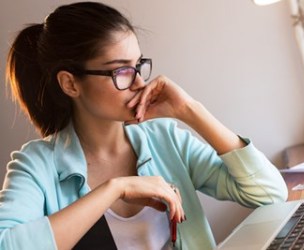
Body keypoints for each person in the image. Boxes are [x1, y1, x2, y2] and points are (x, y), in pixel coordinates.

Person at [0, 2, 288, 249]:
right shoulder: (36, 164)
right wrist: (115, 189)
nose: (139, 82)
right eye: (121, 70)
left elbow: (269, 193)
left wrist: (189, 110)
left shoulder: (165, 139)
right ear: (70, 83)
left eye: (138, 65)